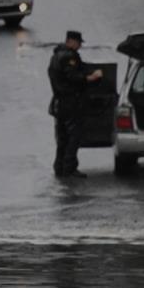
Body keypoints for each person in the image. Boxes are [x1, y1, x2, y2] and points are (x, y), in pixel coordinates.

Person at [47, 30, 103, 178]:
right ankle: (69, 167)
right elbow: (73, 77)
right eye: (78, 43)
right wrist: (91, 77)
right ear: (71, 41)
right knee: (74, 135)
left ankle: (59, 166)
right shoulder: (68, 56)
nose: (79, 46)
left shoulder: (56, 55)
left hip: (59, 102)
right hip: (70, 102)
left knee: (62, 136)